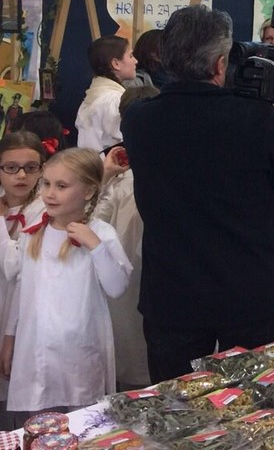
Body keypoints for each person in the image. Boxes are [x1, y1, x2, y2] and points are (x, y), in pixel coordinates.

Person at [120, 5, 274, 381]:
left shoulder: (138, 119)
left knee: (175, 401)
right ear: (219, 64)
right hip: (249, 291)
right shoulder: (255, 120)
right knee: (250, 399)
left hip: (173, 291)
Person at [0, 148, 131, 414]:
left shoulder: (101, 233)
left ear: (88, 191)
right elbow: (21, 288)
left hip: (79, 350)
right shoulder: (32, 234)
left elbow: (117, 287)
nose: (50, 193)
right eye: (46, 184)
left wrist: (96, 246)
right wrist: (9, 337)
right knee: (41, 420)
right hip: (36, 347)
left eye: (61, 186)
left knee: (84, 419)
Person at [94, 86, 159, 390]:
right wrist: (105, 174)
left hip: (152, 264)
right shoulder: (115, 163)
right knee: (129, 332)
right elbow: (95, 215)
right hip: (123, 264)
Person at [0, 131, 47, 423]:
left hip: (21, 307)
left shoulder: (42, 210)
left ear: (42, 169)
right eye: (11, 167)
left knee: (18, 380)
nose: (21, 175)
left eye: (30, 167)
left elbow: (14, 267)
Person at [76, 35, 137, 152]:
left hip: (90, 161)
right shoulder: (114, 99)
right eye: (130, 56)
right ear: (116, 63)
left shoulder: (94, 96)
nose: (135, 61)